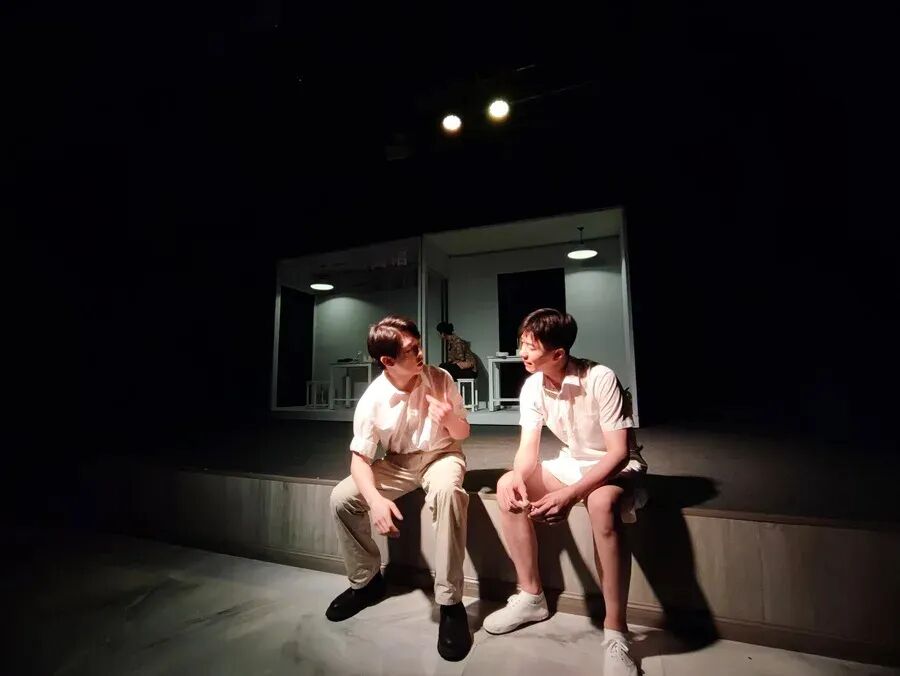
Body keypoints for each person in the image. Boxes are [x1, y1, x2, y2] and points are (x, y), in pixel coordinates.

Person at [483, 308, 647, 676]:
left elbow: (619, 453)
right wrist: (516, 474)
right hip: (572, 462)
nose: (522, 353)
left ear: (558, 354)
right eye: (522, 344)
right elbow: (528, 450)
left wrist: (571, 495)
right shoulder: (532, 386)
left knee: (601, 503)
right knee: (509, 487)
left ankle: (615, 633)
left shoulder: (600, 377)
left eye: (531, 347)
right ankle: (531, 596)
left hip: (617, 466)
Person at [327, 315, 473, 662]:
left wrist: (449, 419)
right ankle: (366, 582)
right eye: (411, 350)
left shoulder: (440, 378)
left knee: (448, 493)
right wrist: (376, 501)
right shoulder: (373, 399)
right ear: (388, 360)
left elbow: (463, 433)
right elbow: (359, 460)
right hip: (397, 463)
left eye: (419, 345)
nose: (421, 353)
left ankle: (450, 602)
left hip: (442, 455)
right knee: (342, 498)